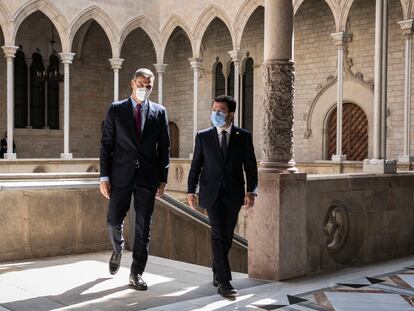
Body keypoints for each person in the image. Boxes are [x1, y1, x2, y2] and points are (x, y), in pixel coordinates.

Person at [100, 68, 170, 290]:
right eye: (141, 84)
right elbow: (106, 145)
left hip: (147, 177)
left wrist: (163, 178)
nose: (144, 89)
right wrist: (104, 176)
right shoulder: (116, 109)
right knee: (113, 220)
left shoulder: (159, 112)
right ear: (132, 83)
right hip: (120, 175)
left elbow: (165, 148)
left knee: (143, 228)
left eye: (148, 86)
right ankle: (117, 249)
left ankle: (136, 273)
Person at [187, 95, 258, 298]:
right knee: (218, 234)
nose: (216, 114)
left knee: (226, 236)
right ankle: (224, 282)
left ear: (231, 114)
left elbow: (250, 167)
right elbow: (196, 166)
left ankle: (217, 271)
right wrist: (191, 190)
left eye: (221, 111)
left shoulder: (243, 136)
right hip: (211, 193)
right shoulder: (203, 136)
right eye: (214, 110)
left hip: (234, 194)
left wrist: (251, 191)